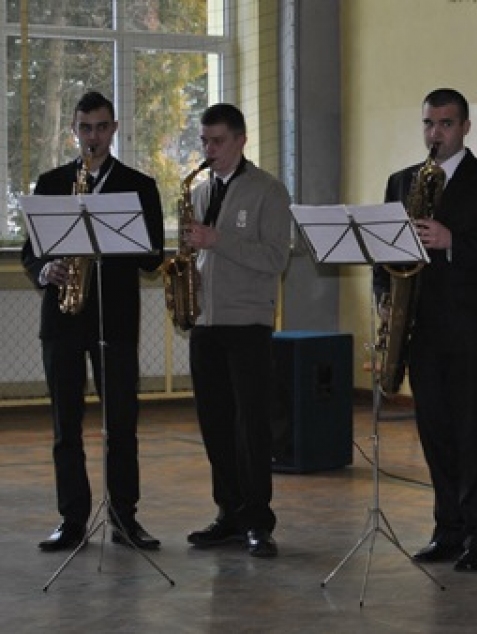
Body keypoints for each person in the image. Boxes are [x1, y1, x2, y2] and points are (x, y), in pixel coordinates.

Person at [371, 88, 477, 572]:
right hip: (419, 326)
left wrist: (452, 240)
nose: (436, 133)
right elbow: (383, 247)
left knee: (474, 436)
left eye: (446, 124)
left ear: (466, 127)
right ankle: (448, 530)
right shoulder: (401, 181)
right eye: (429, 123)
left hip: (472, 329)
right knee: (434, 435)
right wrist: (384, 296)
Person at [21, 91, 165, 552]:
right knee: (66, 426)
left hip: (115, 321)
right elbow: (31, 252)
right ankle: (72, 520)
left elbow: (153, 257)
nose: (93, 137)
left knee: (121, 424)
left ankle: (125, 518)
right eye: (85, 128)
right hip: (62, 320)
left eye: (102, 128)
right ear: (74, 130)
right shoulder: (51, 183)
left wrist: (119, 240)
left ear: (114, 129)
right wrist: (45, 269)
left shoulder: (139, 186)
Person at [183, 103, 292, 558]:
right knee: (215, 425)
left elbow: (276, 258)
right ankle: (228, 513)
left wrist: (217, 240)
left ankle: (257, 521)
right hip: (205, 323)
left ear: (241, 140)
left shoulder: (269, 190)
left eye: (218, 141)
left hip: (247, 323)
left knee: (251, 428)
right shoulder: (200, 191)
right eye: (205, 141)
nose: (209, 150)